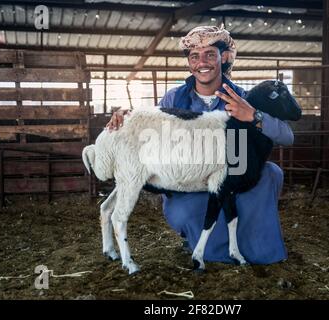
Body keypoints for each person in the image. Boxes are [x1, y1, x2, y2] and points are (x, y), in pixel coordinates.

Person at [106, 26, 294, 265]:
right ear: (188, 63)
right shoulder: (174, 99)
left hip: (229, 180)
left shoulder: (243, 98)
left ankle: (250, 240)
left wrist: (254, 116)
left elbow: (287, 136)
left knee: (270, 172)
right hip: (188, 185)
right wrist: (126, 117)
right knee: (186, 213)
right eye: (194, 56)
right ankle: (212, 241)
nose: (202, 62)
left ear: (223, 57)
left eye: (209, 54)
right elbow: (148, 123)